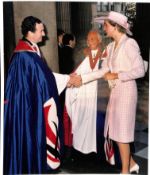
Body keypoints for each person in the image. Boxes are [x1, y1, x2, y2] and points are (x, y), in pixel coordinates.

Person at [72, 11, 145, 174]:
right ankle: (132, 164)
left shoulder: (129, 44)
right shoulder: (111, 47)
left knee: (122, 133)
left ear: (115, 26)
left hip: (126, 92)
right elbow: (103, 71)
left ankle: (125, 171)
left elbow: (140, 70)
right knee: (115, 131)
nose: (103, 27)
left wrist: (117, 75)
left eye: (105, 24)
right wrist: (82, 79)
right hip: (115, 93)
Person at [4, 16, 76, 174]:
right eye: (41, 30)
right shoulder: (25, 55)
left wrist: (66, 79)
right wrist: (67, 79)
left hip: (30, 102)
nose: (44, 34)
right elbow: (45, 80)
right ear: (30, 32)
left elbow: (43, 77)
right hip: (26, 106)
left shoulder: (31, 49)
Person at [65, 30, 107, 155]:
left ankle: (98, 151)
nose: (89, 42)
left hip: (99, 94)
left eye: (92, 39)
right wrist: (72, 79)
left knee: (97, 125)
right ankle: (81, 148)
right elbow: (79, 70)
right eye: (88, 39)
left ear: (99, 40)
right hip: (84, 93)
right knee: (82, 120)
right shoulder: (83, 54)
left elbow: (104, 72)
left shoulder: (105, 54)